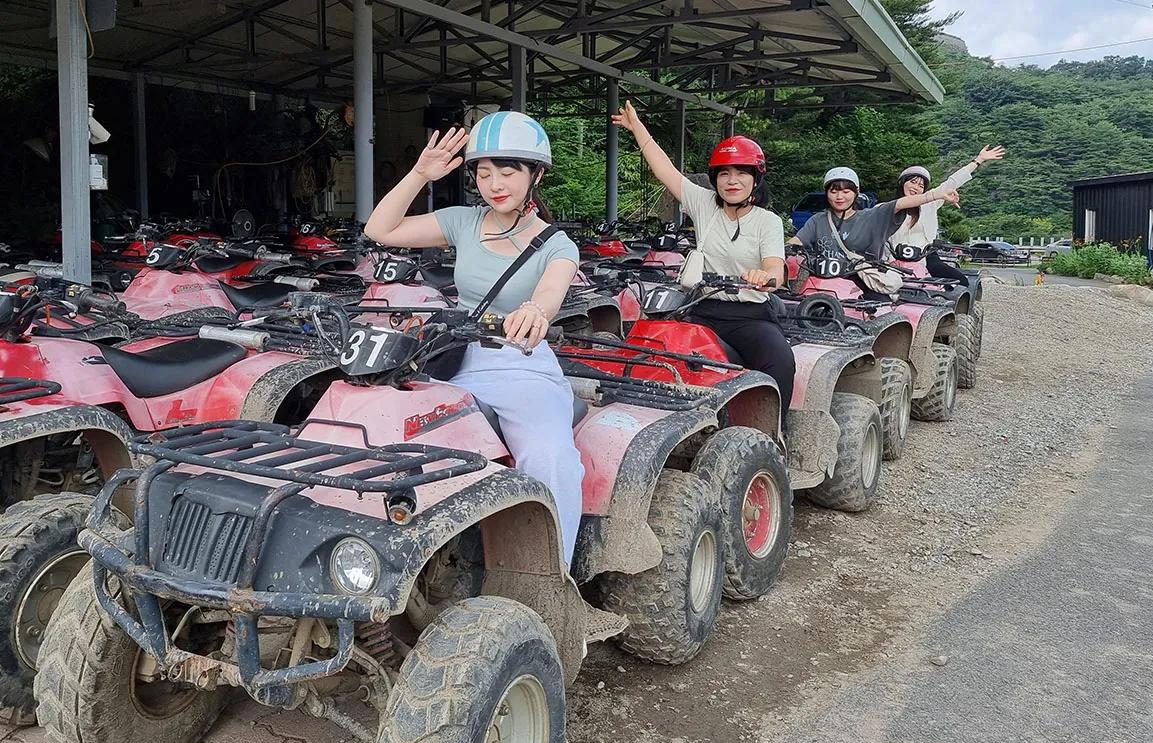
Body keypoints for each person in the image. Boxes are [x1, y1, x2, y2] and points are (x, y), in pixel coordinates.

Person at [363, 111, 586, 564]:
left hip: (519, 364)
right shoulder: (464, 221)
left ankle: (554, 578)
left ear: (535, 175)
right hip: (452, 358)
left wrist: (534, 311)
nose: (494, 183)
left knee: (551, 458)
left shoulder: (557, 244)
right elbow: (379, 229)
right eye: (484, 173)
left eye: (507, 171)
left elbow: (550, 293)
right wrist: (420, 174)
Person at [610, 101, 795, 409]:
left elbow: (775, 267)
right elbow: (665, 171)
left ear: (755, 179)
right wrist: (637, 128)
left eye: (740, 173)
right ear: (715, 178)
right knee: (656, 351)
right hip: (700, 307)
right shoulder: (703, 204)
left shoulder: (768, 221)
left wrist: (766, 276)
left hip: (749, 316)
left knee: (781, 360)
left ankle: (774, 433)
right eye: (724, 173)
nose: (732, 181)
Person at [788, 166, 963, 299]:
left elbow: (900, 204)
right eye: (834, 191)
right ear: (827, 193)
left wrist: (937, 195)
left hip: (862, 280)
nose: (839, 196)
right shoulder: (817, 220)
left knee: (883, 315)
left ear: (856, 193)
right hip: (820, 280)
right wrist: (785, 250)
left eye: (846, 191)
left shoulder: (873, 215)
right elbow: (797, 241)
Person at [889, 145, 1005, 283]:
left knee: (961, 281)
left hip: (925, 257)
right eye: (913, 182)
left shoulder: (929, 203)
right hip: (893, 259)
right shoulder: (887, 208)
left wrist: (978, 160)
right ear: (902, 183)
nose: (916, 187)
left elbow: (952, 182)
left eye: (921, 185)